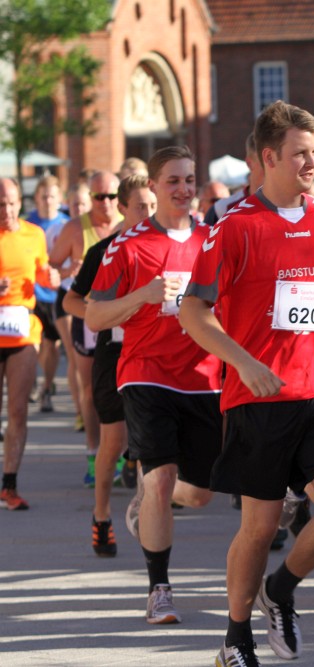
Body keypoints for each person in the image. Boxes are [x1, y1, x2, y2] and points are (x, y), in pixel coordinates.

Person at [179, 100, 314, 666]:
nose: (311, 162)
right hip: (259, 398)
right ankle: (236, 638)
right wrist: (242, 362)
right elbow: (193, 311)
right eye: (299, 154)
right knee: (259, 526)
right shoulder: (234, 226)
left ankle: (281, 588)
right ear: (268, 158)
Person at [87, 147, 223, 624]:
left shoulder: (212, 240)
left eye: (189, 180)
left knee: (200, 494)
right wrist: (142, 295)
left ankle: (146, 498)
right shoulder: (127, 245)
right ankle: (159, 589)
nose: (183, 189)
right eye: (173, 181)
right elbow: (94, 314)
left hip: (203, 377)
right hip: (146, 373)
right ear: (153, 187)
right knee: (161, 476)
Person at [63, 174, 156, 556]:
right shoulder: (104, 251)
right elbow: (71, 301)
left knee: (153, 444)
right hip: (114, 353)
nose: (149, 213)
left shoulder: (168, 247)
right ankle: (101, 513)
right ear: (122, 208)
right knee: (114, 441)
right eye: (141, 206)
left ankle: (147, 510)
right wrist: (100, 314)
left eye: (153, 205)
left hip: (153, 354)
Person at [51, 170, 121, 485]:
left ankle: (123, 455)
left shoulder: (128, 226)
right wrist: (68, 269)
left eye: (111, 196)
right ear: (90, 197)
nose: (105, 202)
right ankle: (94, 454)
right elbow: (50, 266)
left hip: (121, 317)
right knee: (90, 389)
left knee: (125, 387)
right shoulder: (74, 228)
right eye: (98, 197)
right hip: (87, 316)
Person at [0, 178, 60, 511]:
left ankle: (9, 486)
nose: (7, 211)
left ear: (20, 203)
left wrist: (50, 277)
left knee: (18, 410)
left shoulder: (33, 234)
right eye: (0, 205)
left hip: (22, 332)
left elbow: (41, 273)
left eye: (11, 203)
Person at [24, 176, 69, 412]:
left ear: (59, 198)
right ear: (36, 199)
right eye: (44, 196)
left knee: (51, 346)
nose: (48, 201)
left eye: (52, 196)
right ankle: (31, 380)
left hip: (56, 294)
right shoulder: (28, 225)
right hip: (32, 294)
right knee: (35, 344)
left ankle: (46, 387)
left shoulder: (67, 224)